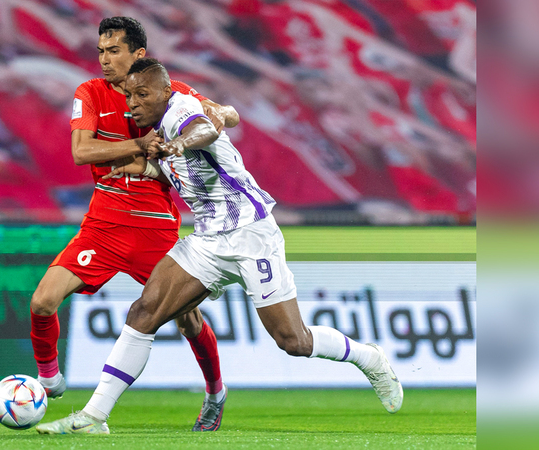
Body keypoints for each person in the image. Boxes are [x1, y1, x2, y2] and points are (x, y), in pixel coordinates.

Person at [36, 58, 403, 435]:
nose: (134, 103)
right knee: (144, 312)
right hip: (208, 240)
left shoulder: (181, 110)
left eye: (142, 95)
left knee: (293, 341)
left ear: (165, 92)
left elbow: (204, 131)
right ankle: (94, 417)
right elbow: (183, 170)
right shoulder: (156, 130)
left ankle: (368, 357)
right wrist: (146, 168)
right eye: (129, 96)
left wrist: (178, 143)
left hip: (250, 234)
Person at [29, 17, 240, 432]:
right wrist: (139, 145)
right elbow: (81, 151)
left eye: (114, 51)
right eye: (101, 52)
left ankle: (216, 392)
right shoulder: (90, 92)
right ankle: (49, 380)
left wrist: (219, 113)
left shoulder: (168, 92)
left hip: (155, 226)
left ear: (138, 54)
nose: (105, 60)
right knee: (42, 302)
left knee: (188, 320)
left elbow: (225, 117)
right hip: (103, 224)